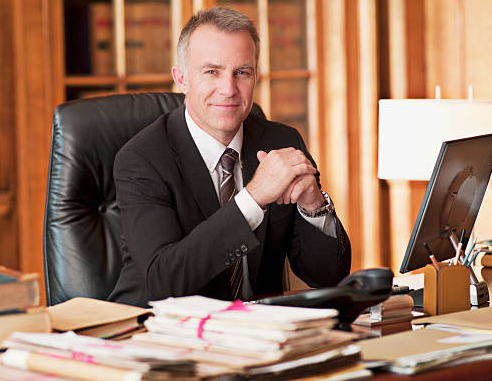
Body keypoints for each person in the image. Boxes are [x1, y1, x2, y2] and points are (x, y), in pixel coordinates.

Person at [108, 7, 351, 307]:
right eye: (212, 71)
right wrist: (253, 197)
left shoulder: (282, 142)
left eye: (242, 72)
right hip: (159, 335)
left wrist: (313, 205)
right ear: (181, 78)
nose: (229, 89)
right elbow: (164, 281)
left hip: (257, 336)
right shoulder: (141, 160)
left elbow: (329, 276)